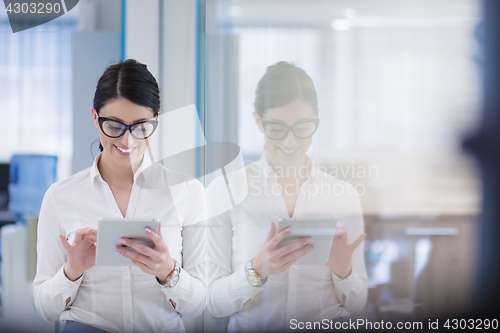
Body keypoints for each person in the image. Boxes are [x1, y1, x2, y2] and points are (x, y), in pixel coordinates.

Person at [33, 59, 206, 333]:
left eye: (140, 126)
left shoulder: (187, 191)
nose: (128, 141)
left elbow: (197, 305)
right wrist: (72, 271)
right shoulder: (60, 196)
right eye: (114, 126)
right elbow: (45, 308)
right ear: (94, 117)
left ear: (156, 119)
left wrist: (167, 270)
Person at [207, 61, 368, 332]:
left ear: (317, 119)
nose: (290, 141)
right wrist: (257, 269)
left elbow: (356, 304)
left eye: (303, 127)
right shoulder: (225, 190)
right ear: (258, 121)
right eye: (277, 129)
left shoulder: (343, 195)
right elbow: (213, 303)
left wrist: (344, 271)